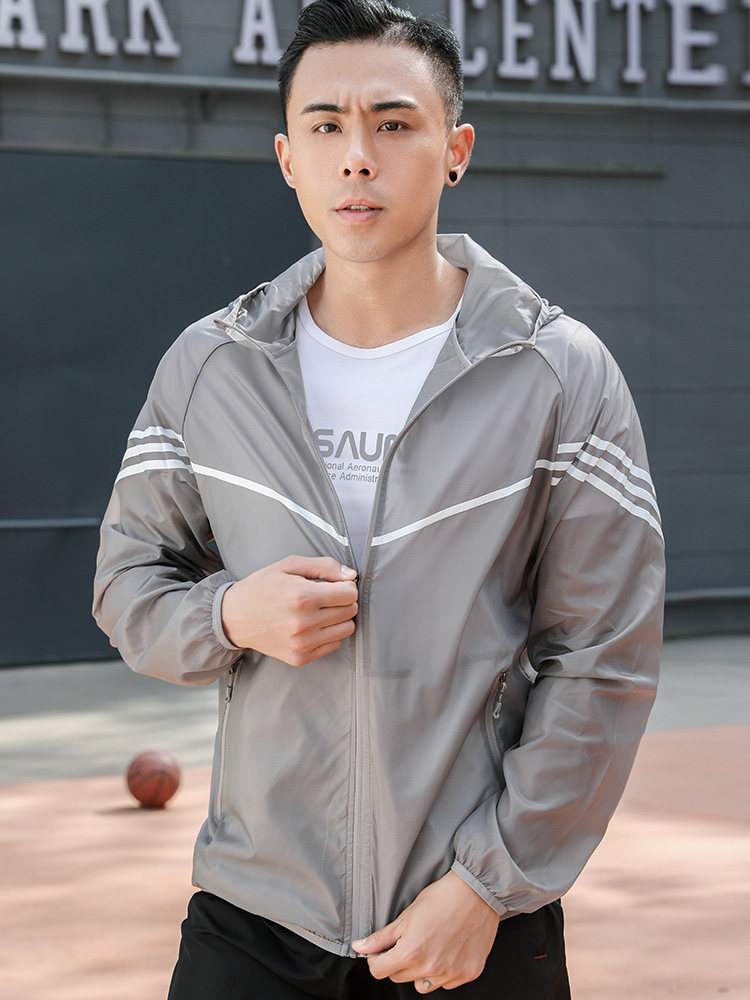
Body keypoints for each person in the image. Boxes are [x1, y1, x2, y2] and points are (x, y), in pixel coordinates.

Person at [92, 0, 665, 996]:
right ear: (288, 158)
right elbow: (127, 584)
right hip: (256, 913)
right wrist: (229, 614)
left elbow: (604, 656)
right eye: (326, 126)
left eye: (394, 124)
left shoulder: (558, 374)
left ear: (456, 150)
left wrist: (488, 886)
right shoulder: (211, 366)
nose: (357, 157)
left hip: (469, 922)